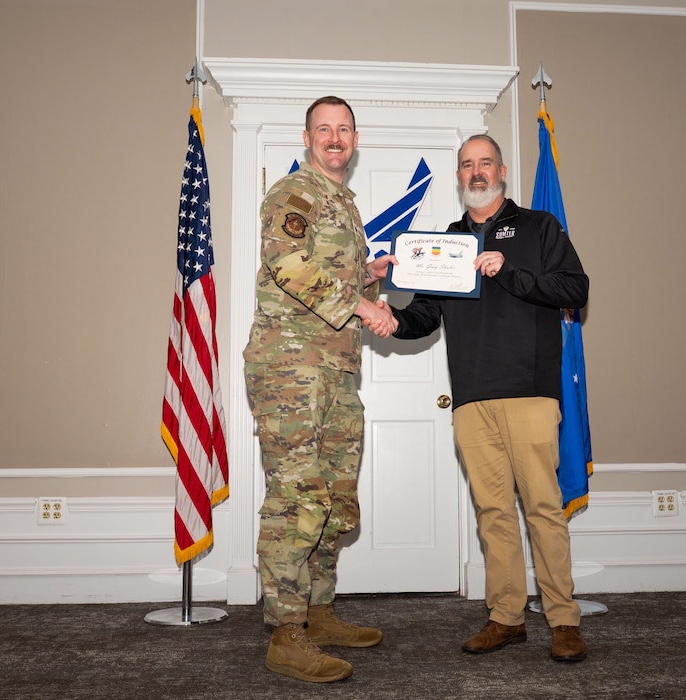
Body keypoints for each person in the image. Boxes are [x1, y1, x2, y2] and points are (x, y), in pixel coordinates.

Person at [387, 133, 589, 662]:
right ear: (459, 177)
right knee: (492, 512)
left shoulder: (539, 228)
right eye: (466, 165)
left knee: (544, 508)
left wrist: (511, 272)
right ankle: (506, 617)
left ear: (501, 170)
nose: (476, 172)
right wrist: (387, 316)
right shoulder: (446, 244)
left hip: (530, 393)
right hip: (472, 399)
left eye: (485, 163)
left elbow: (576, 290)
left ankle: (564, 620)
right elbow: (423, 317)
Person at [243, 95, 398, 684]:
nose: (335, 138)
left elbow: (328, 269)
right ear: (307, 138)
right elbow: (290, 267)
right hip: (290, 369)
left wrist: (370, 274)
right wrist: (361, 303)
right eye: (324, 129)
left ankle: (318, 612)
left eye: (344, 129)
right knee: (297, 497)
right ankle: (286, 633)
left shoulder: (344, 204)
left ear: (354, 139)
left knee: (335, 493)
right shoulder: (294, 195)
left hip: (335, 368)